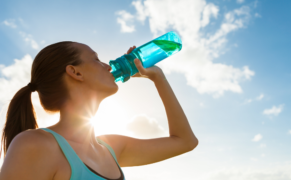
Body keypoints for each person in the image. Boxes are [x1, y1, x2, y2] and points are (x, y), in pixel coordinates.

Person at [0, 41, 198, 180]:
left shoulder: (111, 147)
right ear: (75, 72)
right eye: (96, 59)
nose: (108, 66)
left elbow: (186, 142)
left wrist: (158, 78)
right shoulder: (35, 145)